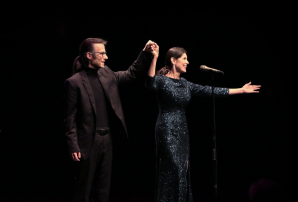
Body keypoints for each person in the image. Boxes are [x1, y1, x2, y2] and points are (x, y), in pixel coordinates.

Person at [146, 45, 261, 202]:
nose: (188, 62)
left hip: (182, 131)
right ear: (173, 60)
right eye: (184, 58)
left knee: (183, 170)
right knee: (173, 169)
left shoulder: (186, 84)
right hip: (166, 129)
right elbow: (150, 84)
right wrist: (154, 58)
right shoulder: (161, 80)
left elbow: (210, 90)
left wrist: (240, 90)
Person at [63, 38, 156, 202]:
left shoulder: (106, 73)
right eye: (102, 53)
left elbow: (131, 73)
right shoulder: (74, 82)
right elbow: (69, 118)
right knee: (83, 190)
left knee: (103, 189)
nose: (106, 57)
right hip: (87, 143)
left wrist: (145, 53)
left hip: (107, 140)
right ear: (89, 55)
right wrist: (73, 145)